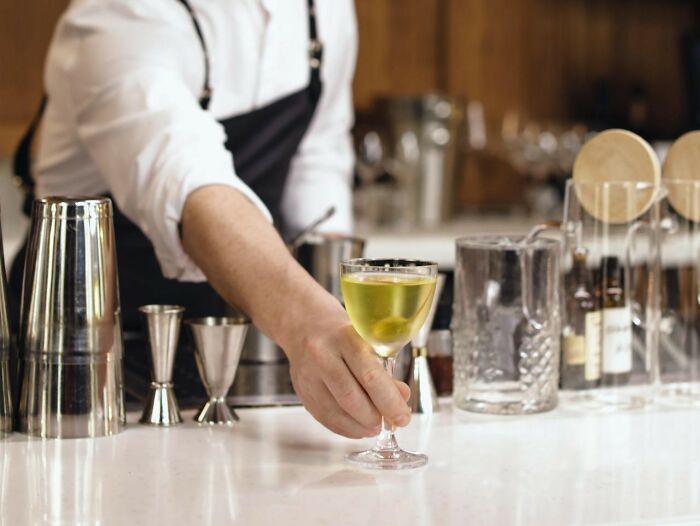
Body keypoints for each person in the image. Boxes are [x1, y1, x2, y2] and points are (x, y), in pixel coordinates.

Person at [10, 0, 412, 438]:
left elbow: (318, 156)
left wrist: (341, 337)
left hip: (237, 364)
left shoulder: (323, 10)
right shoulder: (117, 15)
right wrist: (309, 321)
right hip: (86, 371)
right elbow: (188, 184)